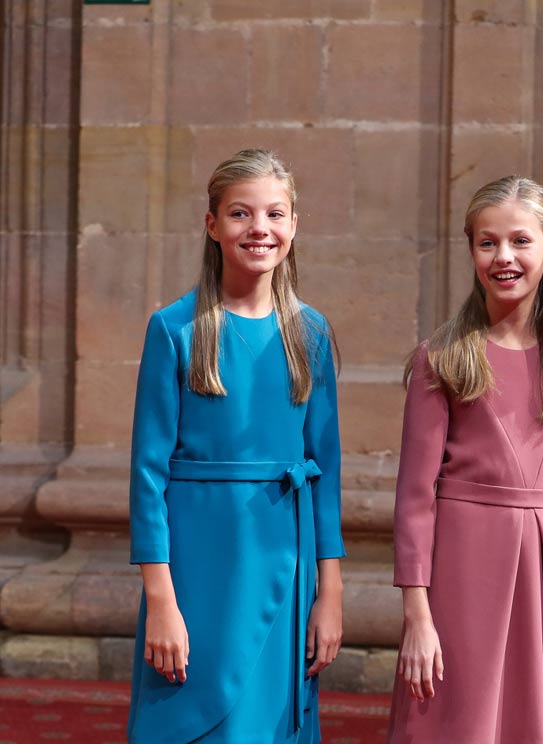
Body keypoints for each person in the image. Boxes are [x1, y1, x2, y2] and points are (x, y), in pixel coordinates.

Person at [127, 149, 345, 743]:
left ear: (294, 225)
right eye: (241, 214)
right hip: (199, 568)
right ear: (212, 225)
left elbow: (327, 475)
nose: (260, 229)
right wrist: (161, 602)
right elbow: (147, 478)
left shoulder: (312, 334)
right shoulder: (174, 330)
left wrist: (331, 594)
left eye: (276, 214)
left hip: (287, 558)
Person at [388, 176, 543, 743]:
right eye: (487, 243)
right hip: (462, 573)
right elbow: (414, 499)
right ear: (471, 251)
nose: (503, 257)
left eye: (520, 241)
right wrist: (418, 617)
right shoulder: (441, 357)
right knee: (458, 719)